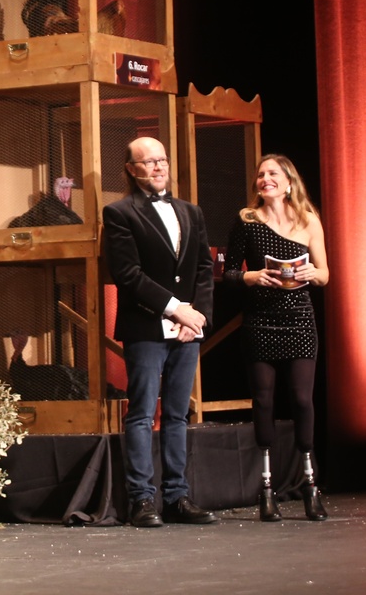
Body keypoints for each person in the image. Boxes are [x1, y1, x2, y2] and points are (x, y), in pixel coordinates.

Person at [102, 136, 216, 527]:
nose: (158, 167)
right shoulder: (119, 212)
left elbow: (202, 269)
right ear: (132, 170)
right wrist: (176, 310)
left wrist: (196, 316)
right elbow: (128, 274)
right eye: (148, 162)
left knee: (177, 415)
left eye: (162, 160)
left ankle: (178, 497)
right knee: (141, 413)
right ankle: (141, 500)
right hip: (147, 327)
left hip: (187, 330)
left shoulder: (191, 211)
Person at [224, 154, 330, 522]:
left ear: (288, 183)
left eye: (273, 174)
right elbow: (227, 274)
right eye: (260, 174)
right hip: (261, 320)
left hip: (299, 319)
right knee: (264, 401)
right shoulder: (247, 221)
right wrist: (251, 276)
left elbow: (326, 274)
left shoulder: (308, 220)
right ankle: (266, 489)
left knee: (302, 399)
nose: (265, 179)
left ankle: (309, 484)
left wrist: (309, 274)